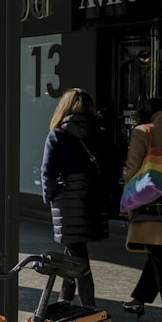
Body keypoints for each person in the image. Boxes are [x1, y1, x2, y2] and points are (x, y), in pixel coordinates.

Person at [40, 88, 115, 308]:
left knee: (78, 255)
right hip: (93, 200)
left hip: (68, 203)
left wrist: (50, 197)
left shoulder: (58, 134)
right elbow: (111, 168)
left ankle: (88, 306)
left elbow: (48, 172)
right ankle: (65, 296)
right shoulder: (101, 132)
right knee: (74, 248)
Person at [121, 97, 162, 322]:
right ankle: (139, 297)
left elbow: (133, 168)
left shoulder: (144, 131)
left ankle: (139, 299)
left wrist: (130, 200)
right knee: (158, 257)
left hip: (155, 212)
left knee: (161, 261)